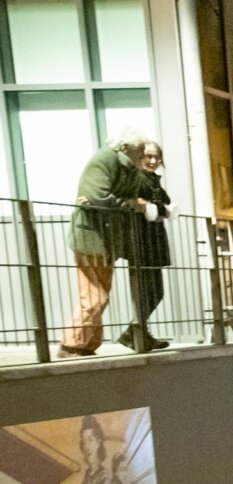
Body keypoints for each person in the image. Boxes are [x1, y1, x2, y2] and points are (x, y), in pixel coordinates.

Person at [59, 129, 153, 358]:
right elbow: (94, 196)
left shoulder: (126, 166)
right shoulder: (105, 160)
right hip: (92, 237)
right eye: (140, 150)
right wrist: (131, 205)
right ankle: (71, 343)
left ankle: (87, 343)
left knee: (98, 293)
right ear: (126, 148)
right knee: (94, 295)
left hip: (103, 239)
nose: (144, 153)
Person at [118, 139, 171, 353]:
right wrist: (159, 208)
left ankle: (137, 332)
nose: (153, 160)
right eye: (148, 156)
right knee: (148, 291)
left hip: (151, 240)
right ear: (139, 157)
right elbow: (141, 204)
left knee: (153, 291)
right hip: (142, 240)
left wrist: (160, 208)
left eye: (156, 156)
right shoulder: (138, 179)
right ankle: (136, 333)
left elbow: (164, 203)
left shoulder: (151, 180)